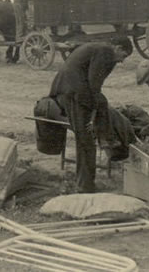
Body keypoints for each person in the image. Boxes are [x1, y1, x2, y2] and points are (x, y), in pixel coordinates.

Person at [49, 36, 133, 193]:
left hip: (69, 90)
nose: (121, 61)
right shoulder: (105, 51)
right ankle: (85, 186)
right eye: (123, 56)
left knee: (100, 106)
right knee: (86, 140)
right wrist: (93, 114)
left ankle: (105, 138)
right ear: (118, 48)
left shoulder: (98, 47)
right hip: (73, 93)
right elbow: (95, 84)